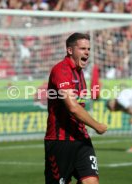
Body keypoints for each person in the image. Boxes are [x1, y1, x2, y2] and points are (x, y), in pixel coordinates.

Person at [44, 33, 107, 184]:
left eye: (89, 49)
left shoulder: (79, 72)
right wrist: (97, 126)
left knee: (91, 182)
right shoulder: (61, 70)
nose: (87, 52)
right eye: (83, 48)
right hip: (60, 141)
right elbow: (73, 107)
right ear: (70, 50)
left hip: (81, 138)